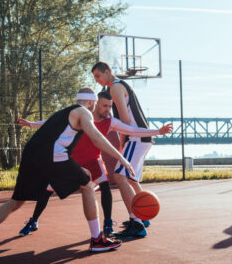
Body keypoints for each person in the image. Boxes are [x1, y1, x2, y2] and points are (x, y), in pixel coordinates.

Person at [0, 88, 135, 259]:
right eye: (96, 103)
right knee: (88, 186)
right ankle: (97, 240)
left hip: (31, 154)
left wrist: (74, 167)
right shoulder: (84, 112)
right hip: (52, 156)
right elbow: (97, 138)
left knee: (16, 201)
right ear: (91, 102)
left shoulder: (63, 113)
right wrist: (122, 158)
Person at [17, 91, 172, 238]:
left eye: (110, 106)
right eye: (105, 105)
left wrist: (157, 132)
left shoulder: (110, 122)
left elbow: (132, 130)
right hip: (72, 160)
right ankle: (34, 221)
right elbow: (53, 122)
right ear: (96, 104)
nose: (108, 109)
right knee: (48, 189)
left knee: (105, 187)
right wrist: (32, 125)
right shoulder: (81, 115)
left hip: (93, 161)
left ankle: (108, 223)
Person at [92, 61, 156, 239]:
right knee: (131, 177)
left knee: (119, 176)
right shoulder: (123, 85)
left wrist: (122, 144)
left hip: (135, 138)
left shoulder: (115, 88)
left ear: (107, 72)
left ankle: (136, 223)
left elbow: (125, 121)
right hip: (142, 137)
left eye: (98, 76)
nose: (97, 80)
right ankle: (143, 216)